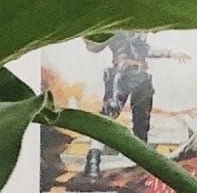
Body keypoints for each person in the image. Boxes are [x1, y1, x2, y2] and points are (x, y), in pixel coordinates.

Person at [78, 29, 189, 180]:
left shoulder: (137, 32)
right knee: (108, 116)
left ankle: (141, 166)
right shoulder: (116, 29)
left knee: (141, 123)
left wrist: (170, 53)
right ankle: (93, 160)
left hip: (140, 77)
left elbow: (145, 49)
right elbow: (95, 46)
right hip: (121, 74)